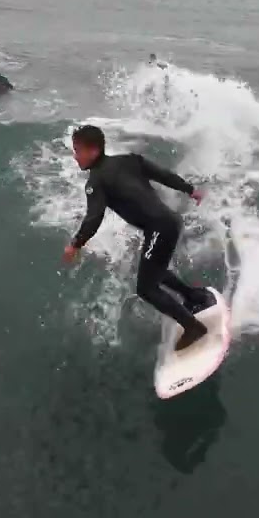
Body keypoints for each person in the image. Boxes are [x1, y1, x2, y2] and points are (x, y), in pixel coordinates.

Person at [63, 125, 215, 350]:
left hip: (158, 229)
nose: (75, 156)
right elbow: (162, 174)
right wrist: (189, 189)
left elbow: (94, 218)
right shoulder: (128, 160)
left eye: (78, 150)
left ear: (93, 151)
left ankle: (192, 327)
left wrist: (75, 244)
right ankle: (194, 296)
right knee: (154, 270)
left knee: (146, 289)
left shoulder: (96, 181)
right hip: (171, 222)